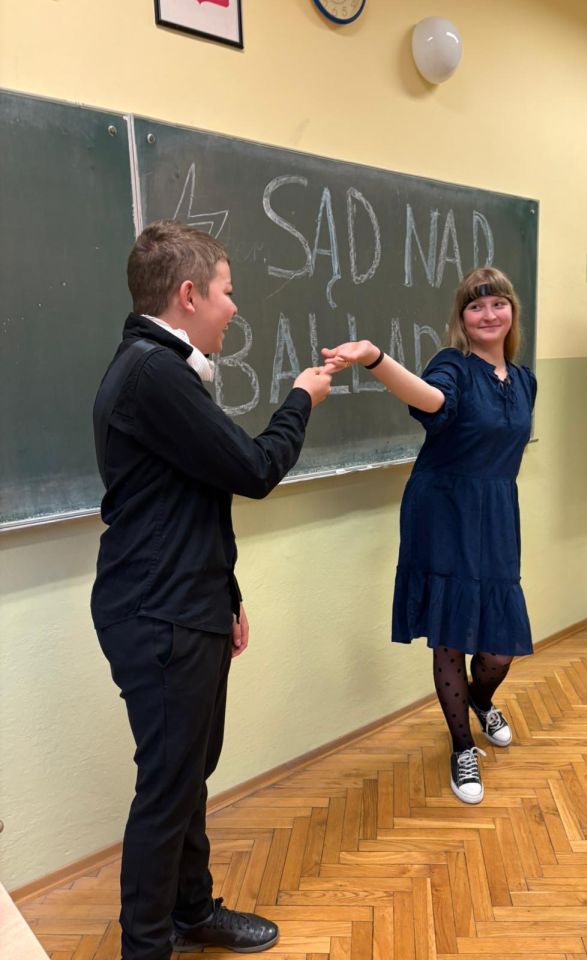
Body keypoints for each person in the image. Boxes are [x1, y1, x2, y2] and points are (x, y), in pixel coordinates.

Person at [91, 219, 333, 960]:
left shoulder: (162, 367)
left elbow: (192, 498)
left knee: (188, 772)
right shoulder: (154, 373)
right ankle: (146, 947)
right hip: (158, 613)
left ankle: (192, 911)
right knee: (169, 787)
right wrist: (301, 398)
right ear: (189, 294)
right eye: (228, 292)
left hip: (183, 603)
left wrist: (224, 595)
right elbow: (253, 470)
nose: (234, 307)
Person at [322, 267, 536, 805]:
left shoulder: (525, 380)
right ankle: (462, 747)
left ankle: (480, 701)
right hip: (443, 510)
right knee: (452, 634)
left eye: (498, 304)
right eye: (475, 306)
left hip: (496, 511)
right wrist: (375, 358)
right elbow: (431, 400)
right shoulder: (452, 365)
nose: (488, 314)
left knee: (498, 650)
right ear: (461, 318)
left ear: (512, 311)